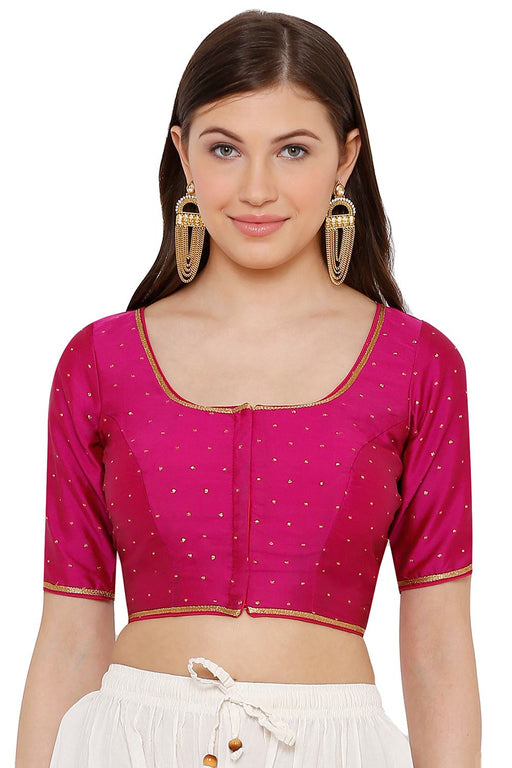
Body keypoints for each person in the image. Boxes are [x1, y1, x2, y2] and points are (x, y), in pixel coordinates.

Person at [15, 9, 481, 768]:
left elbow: (438, 649)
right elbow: (69, 637)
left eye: (293, 150)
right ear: (183, 154)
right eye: (225, 148)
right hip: (129, 744)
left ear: (346, 158)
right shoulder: (99, 361)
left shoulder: (418, 365)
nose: (257, 189)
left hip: (332, 750)